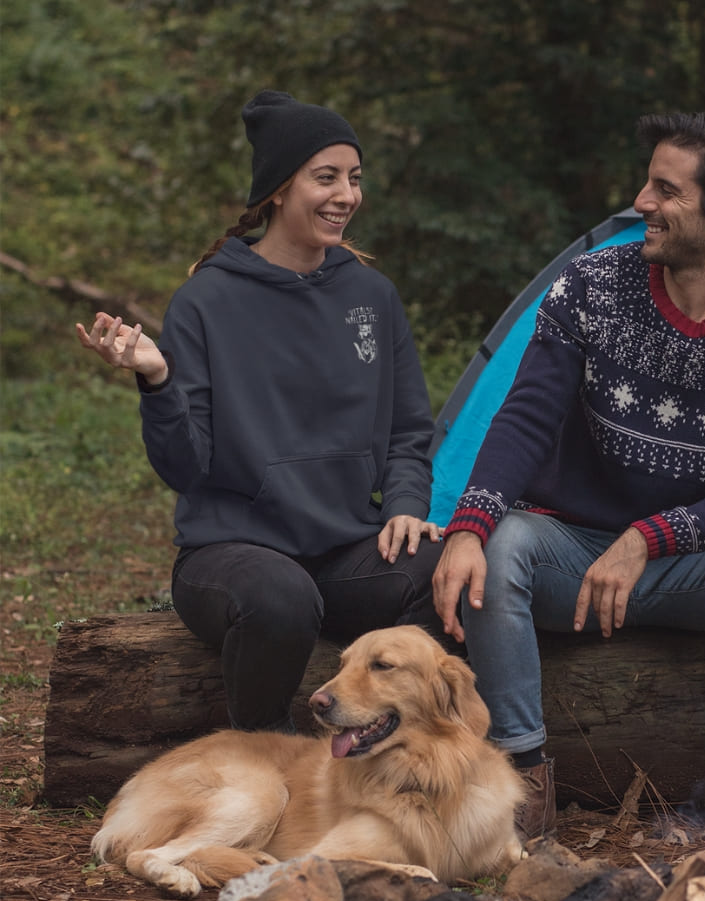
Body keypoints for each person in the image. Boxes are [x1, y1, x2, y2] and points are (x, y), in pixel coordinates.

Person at [433, 112, 705, 861]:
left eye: (664, 189)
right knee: (506, 541)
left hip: (695, 570)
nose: (639, 202)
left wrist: (652, 537)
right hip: (578, 565)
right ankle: (521, 789)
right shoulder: (591, 285)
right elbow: (524, 419)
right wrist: (467, 525)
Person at [76, 90, 445, 733]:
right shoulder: (206, 301)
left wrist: (407, 503)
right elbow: (185, 468)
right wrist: (158, 380)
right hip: (231, 555)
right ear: (278, 188)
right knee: (280, 595)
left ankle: (414, 754)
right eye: (324, 177)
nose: (346, 196)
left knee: (445, 564)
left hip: (343, 552)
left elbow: (411, 429)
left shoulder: (371, 296)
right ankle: (263, 759)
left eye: (354, 179)